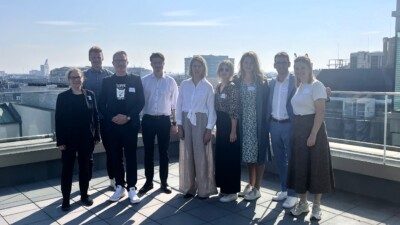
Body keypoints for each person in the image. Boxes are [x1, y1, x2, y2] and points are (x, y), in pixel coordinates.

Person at [287, 55, 335, 221]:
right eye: (297, 68)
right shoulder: (299, 86)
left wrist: (313, 134)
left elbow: (320, 111)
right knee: (301, 167)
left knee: (316, 167)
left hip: (313, 129)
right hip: (299, 129)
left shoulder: (316, 85)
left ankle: (316, 206)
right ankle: (303, 203)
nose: (299, 71)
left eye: (302, 68)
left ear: (310, 68)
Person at [99, 51, 145, 204]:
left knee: (131, 157)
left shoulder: (135, 80)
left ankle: (132, 188)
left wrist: (128, 117)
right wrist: (112, 117)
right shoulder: (107, 81)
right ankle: (120, 187)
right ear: (113, 63)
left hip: (130, 125)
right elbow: (101, 104)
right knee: (116, 157)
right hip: (113, 126)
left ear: (127, 62)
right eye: (117, 60)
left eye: (123, 60)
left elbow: (141, 102)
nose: (120, 63)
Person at [55, 68, 100, 211]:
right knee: (67, 170)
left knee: (85, 169)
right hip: (68, 140)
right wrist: (60, 141)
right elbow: (58, 120)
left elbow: (96, 117)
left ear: (82, 79)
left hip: (86, 138)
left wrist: (97, 135)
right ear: (69, 80)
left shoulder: (90, 95)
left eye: (78, 77)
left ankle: (84, 195)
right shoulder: (62, 97)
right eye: (73, 77)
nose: (76, 80)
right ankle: (66, 199)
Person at [176, 55, 217, 199]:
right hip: (187, 120)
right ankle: (189, 188)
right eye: (194, 66)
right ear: (191, 68)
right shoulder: (185, 84)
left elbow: (212, 110)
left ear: (203, 68)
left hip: (201, 121)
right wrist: (179, 125)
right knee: (187, 155)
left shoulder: (208, 86)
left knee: (201, 156)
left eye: (199, 66)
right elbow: (179, 105)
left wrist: (208, 129)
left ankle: (204, 189)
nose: (196, 68)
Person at [139, 53, 178, 194]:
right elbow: (140, 103)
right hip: (148, 120)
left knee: (164, 153)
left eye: (159, 63)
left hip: (164, 120)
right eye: (154, 63)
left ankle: (164, 182)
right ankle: (148, 182)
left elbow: (175, 105)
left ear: (163, 63)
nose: (157, 65)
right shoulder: (144, 81)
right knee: (148, 153)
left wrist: (175, 123)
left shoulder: (171, 82)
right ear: (151, 64)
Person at [235, 51, 270, 201]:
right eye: (246, 62)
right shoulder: (237, 81)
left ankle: (257, 188)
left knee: (259, 155)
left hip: (258, 123)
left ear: (255, 64)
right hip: (244, 123)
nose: (248, 65)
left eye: (251, 63)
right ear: (242, 64)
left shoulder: (262, 82)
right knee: (249, 154)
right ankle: (250, 184)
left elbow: (268, 103)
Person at [267, 52, 298, 208]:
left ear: (289, 64)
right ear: (274, 65)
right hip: (274, 124)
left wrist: (326, 93)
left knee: (292, 160)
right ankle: (284, 189)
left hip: (289, 125)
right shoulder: (271, 83)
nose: (281, 65)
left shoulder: (295, 81)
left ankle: (293, 194)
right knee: (280, 159)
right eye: (278, 62)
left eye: (284, 62)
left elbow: (311, 85)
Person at [83, 46, 114, 189]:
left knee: (111, 150)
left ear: (103, 58)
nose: (96, 60)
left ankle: (113, 180)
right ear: (90, 59)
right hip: (88, 120)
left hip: (106, 119)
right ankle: (86, 185)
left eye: (98, 57)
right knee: (86, 154)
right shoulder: (83, 76)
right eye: (93, 57)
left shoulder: (110, 76)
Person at [214, 60, 241, 202]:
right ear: (219, 72)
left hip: (230, 125)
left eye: (227, 69)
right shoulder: (218, 87)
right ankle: (224, 188)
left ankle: (232, 191)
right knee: (222, 157)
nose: (224, 72)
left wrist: (233, 131)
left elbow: (234, 111)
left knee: (230, 158)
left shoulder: (232, 88)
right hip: (220, 125)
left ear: (231, 72)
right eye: (222, 69)